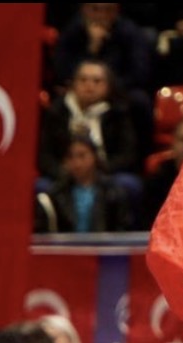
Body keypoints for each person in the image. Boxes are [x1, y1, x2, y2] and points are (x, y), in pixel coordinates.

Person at [39, 59, 141, 202]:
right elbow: (44, 154)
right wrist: (63, 172)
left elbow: (128, 154)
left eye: (97, 81)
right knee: (41, 186)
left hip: (105, 174)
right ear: (73, 83)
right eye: (83, 80)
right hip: (63, 175)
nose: (89, 85)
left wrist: (100, 171)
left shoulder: (119, 113)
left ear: (108, 86)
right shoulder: (57, 112)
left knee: (129, 184)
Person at [39, 133, 137, 234]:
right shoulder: (56, 193)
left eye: (82, 156)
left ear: (94, 157)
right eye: (70, 157)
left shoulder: (113, 192)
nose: (77, 163)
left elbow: (123, 229)